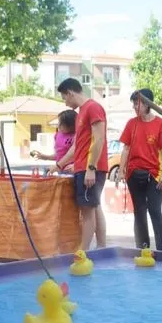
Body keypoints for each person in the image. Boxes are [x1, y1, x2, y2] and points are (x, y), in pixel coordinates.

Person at [53, 78, 108, 250]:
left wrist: (91, 168)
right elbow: (77, 145)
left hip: (89, 168)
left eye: (64, 98)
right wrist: (59, 164)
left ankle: (83, 252)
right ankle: (101, 248)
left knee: (87, 211)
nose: (65, 103)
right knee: (94, 207)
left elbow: (99, 139)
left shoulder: (93, 108)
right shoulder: (81, 113)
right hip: (83, 167)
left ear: (70, 93)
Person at [119, 88, 162, 251]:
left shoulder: (161, 124)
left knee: (155, 211)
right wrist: (121, 170)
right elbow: (126, 148)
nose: (134, 107)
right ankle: (143, 249)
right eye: (133, 103)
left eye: (137, 103)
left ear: (147, 104)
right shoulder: (131, 123)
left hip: (154, 174)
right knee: (139, 212)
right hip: (133, 173)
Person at [31, 109, 76, 174]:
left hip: (72, 170)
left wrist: (75, 165)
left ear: (71, 125)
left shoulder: (76, 136)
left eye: (61, 123)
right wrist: (45, 157)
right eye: (59, 122)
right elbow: (59, 154)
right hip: (60, 169)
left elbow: (79, 155)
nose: (58, 125)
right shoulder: (57, 135)